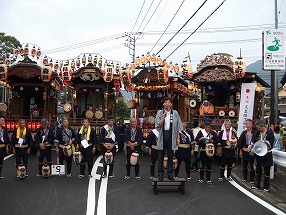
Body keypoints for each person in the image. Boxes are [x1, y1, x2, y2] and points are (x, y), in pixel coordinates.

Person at [155, 97, 183, 181]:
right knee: (160, 156)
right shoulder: (160, 113)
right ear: (163, 104)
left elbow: (178, 127)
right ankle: (160, 174)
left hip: (172, 135)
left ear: (171, 104)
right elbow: (158, 125)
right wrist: (164, 116)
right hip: (162, 135)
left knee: (171, 156)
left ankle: (170, 174)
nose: (167, 104)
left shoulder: (175, 113)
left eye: (168, 102)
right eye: (165, 102)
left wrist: (178, 138)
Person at [251, 119, 274, 192]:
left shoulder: (270, 133)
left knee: (267, 171)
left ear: (263, 126)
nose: (258, 129)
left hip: (267, 154)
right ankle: (257, 185)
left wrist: (263, 142)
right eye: (257, 128)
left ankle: (266, 187)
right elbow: (253, 141)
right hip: (259, 154)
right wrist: (251, 146)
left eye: (258, 128)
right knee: (258, 170)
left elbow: (271, 144)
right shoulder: (257, 133)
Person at [238, 119, 257, 184]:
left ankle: (252, 179)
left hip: (252, 151)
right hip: (245, 150)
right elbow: (240, 142)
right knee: (244, 165)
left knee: (252, 165)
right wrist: (240, 151)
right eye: (247, 124)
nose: (248, 125)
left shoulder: (255, 132)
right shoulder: (244, 133)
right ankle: (245, 177)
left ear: (252, 125)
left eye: (249, 124)